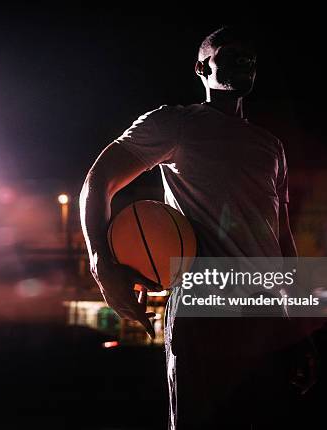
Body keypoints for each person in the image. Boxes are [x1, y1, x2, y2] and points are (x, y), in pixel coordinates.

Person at [80, 26, 313, 429]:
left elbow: (282, 239)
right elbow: (98, 181)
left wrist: (297, 324)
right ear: (201, 67)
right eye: (230, 53)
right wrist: (102, 262)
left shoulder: (269, 145)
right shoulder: (176, 124)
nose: (244, 60)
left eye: (250, 56)